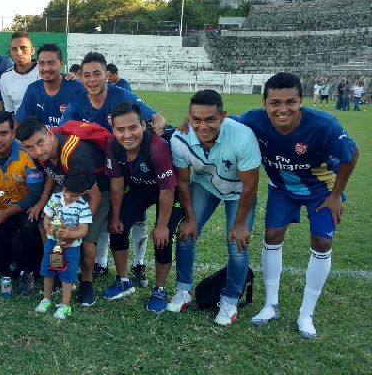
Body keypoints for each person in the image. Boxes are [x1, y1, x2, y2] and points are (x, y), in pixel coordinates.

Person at [237, 72, 358, 339]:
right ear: (264, 102)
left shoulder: (324, 124)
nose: (283, 109)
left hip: (321, 189)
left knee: (321, 243)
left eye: (290, 102)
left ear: (301, 100)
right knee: (271, 236)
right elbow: (225, 125)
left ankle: (306, 313)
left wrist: (336, 195)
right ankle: (271, 305)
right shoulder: (251, 119)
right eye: (275, 102)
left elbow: (352, 153)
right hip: (282, 189)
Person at [59, 51, 166, 285]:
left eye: (97, 74)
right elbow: (63, 128)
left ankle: (139, 264)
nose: (92, 80)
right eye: (86, 75)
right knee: (106, 214)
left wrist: (157, 122)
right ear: (81, 77)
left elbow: (155, 117)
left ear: (107, 75)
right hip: (98, 168)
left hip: (126, 167)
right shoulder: (78, 100)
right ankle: (102, 262)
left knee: (136, 215)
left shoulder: (121, 96)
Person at [166, 89, 260, 326]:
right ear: (189, 116)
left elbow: (250, 186)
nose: (203, 126)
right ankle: (183, 289)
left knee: (237, 244)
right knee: (186, 233)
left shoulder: (243, 137)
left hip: (238, 190)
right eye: (196, 119)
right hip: (205, 184)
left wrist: (239, 224)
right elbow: (183, 182)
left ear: (223, 116)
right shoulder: (180, 138)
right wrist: (189, 216)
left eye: (210, 119)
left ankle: (230, 299)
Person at [17, 116, 107, 307]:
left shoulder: (76, 155)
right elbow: (53, 170)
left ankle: (86, 282)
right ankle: (58, 270)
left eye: (39, 143)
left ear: (50, 135)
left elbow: (95, 197)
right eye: (30, 147)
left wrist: (75, 230)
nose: (37, 151)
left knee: (87, 240)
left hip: (95, 190)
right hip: (67, 187)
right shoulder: (45, 151)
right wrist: (43, 199)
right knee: (45, 227)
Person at [103, 102, 184, 312]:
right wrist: (116, 215)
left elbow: (167, 190)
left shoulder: (157, 147)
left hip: (167, 192)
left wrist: (162, 225)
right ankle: (123, 281)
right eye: (120, 129)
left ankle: (159, 289)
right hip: (141, 188)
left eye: (133, 128)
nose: (127, 135)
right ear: (113, 130)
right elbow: (117, 183)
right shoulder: (112, 145)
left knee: (162, 239)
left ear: (143, 126)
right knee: (117, 228)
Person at [0, 111, 44, 294]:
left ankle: (27, 271)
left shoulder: (27, 155)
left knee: (29, 228)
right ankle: (12, 263)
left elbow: (35, 193)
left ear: (13, 133)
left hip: (28, 209)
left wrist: (7, 212)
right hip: (3, 211)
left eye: (4, 133)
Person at [34, 169, 94, 320]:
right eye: (66, 192)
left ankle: (64, 305)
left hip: (70, 249)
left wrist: (71, 234)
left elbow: (84, 230)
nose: (67, 197)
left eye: (73, 195)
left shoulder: (83, 206)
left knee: (67, 276)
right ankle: (46, 299)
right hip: (53, 244)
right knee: (49, 270)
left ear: (83, 192)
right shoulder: (55, 197)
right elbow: (47, 216)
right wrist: (47, 225)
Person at [15, 44, 84, 128]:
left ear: (61, 63)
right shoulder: (33, 89)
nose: (46, 68)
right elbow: (20, 121)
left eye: (51, 63)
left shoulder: (77, 89)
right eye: (41, 63)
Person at [0, 32, 39, 114]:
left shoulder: (44, 71)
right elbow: (9, 111)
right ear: (11, 52)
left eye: (23, 48)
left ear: (32, 50)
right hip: (19, 126)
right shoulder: (5, 78)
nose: (18, 53)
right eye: (14, 49)